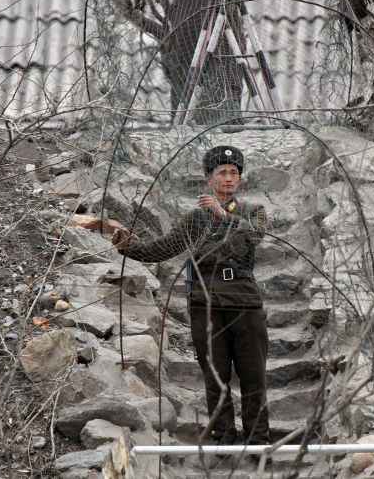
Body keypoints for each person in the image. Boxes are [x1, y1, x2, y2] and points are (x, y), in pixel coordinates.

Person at [112, 145, 270, 454]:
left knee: (254, 376)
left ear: (240, 178)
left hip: (245, 303)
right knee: (215, 377)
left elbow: (252, 238)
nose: (228, 178)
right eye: (221, 173)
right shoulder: (196, 218)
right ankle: (224, 441)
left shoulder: (253, 211)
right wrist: (128, 246)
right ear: (208, 179)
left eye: (233, 173)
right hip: (205, 305)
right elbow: (164, 248)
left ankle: (257, 441)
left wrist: (221, 214)